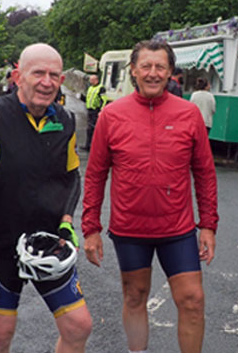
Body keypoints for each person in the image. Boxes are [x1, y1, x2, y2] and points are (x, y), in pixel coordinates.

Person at [81, 40, 218, 353]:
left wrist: (208, 224)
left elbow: (205, 173)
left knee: (193, 301)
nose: (153, 73)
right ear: (134, 70)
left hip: (177, 229)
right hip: (130, 229)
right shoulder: (112, 115)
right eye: (146, 66)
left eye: (160, 67)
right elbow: (96, 174)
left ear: (171, 71)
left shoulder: (189, 114)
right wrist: (91, 228)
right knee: (134, 297)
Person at [0, 43, 92, 352]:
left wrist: (66, 222)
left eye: (55, 75)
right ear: (19, 75)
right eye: (39, 73)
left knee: (79, 326)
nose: (47, 81)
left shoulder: (66, 120)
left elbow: (71, 175)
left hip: (47, 244)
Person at [84, 74, 105, 151]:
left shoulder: (101, 88)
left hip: (95, 110)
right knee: (89, 128)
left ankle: (92, 146)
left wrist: (101, 110)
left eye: (91, 80)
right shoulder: (90, 88)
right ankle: (87, 145)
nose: (90, 81)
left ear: (96, 80)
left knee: (92, 128)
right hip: (89, 109)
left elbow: (104, 100)